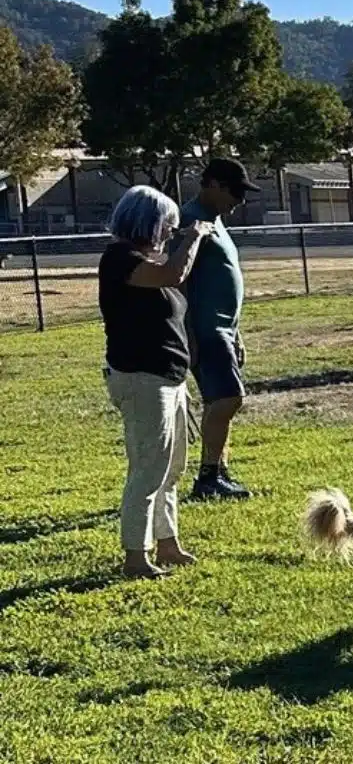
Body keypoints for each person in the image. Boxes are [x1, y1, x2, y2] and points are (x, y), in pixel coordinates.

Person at [98, 185, 214, 579]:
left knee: (171, 468)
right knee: (148, 468)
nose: (171, 232)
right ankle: (136, 556)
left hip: (168, 377)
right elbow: (174, 272)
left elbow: (172, 280)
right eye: (168, 225)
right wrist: (194, 237)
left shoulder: (147, 261)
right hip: (143, 378)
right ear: (149, 222)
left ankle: (167, 544)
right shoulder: (120, 259)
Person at [177, 158, 260, 500]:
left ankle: (218, 472)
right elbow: (177, 278)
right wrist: (188, 333)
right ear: (211, 184)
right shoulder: (187, 221)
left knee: (222, 400)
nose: (239, 200)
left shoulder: (216, 221)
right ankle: (208, 478)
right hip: (206, 329)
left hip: (224, 329)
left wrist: (236, 332)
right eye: (234, 191)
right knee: (228, 398)